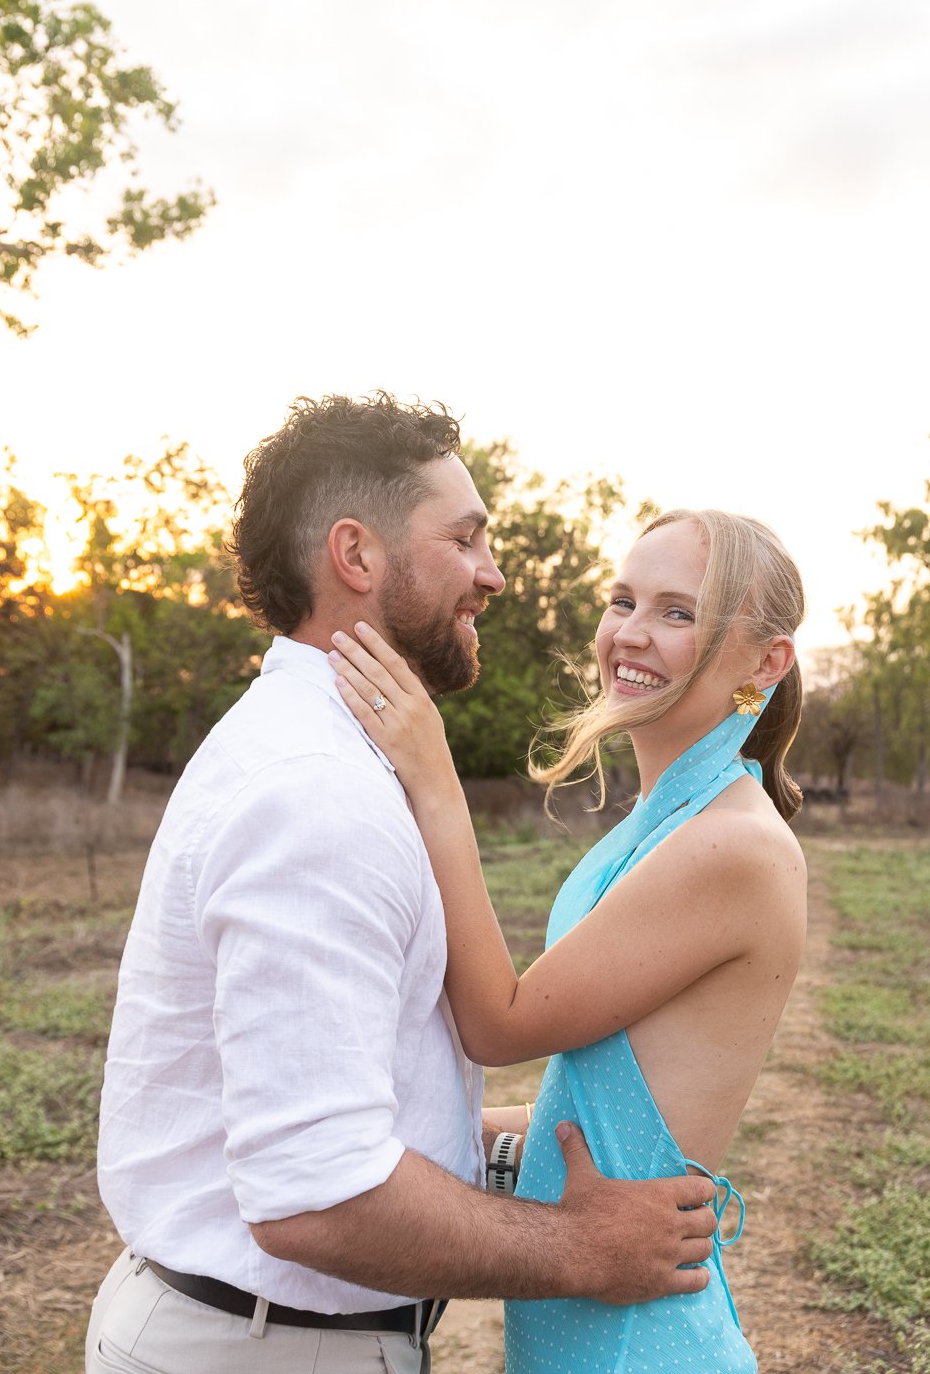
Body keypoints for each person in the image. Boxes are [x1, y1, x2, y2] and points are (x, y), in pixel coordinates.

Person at [86, 394, 718, 1374]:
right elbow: (319, 1194)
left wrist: (533, 1149)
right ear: (358, 557)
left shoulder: (317, 753)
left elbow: (346, 1089)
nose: (493, 574)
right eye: (464, 539)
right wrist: (594, 1249)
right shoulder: (317, 797)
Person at [329, 505, 809, 1373]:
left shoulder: (733, 845)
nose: (628, 632)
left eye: (677, 611)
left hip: (638, 1343)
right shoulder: (666, 823)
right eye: (623, 600)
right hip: (587, 1312)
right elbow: (597, 1103)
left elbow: (499, 1024)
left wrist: (433, 776)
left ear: (766, 661)